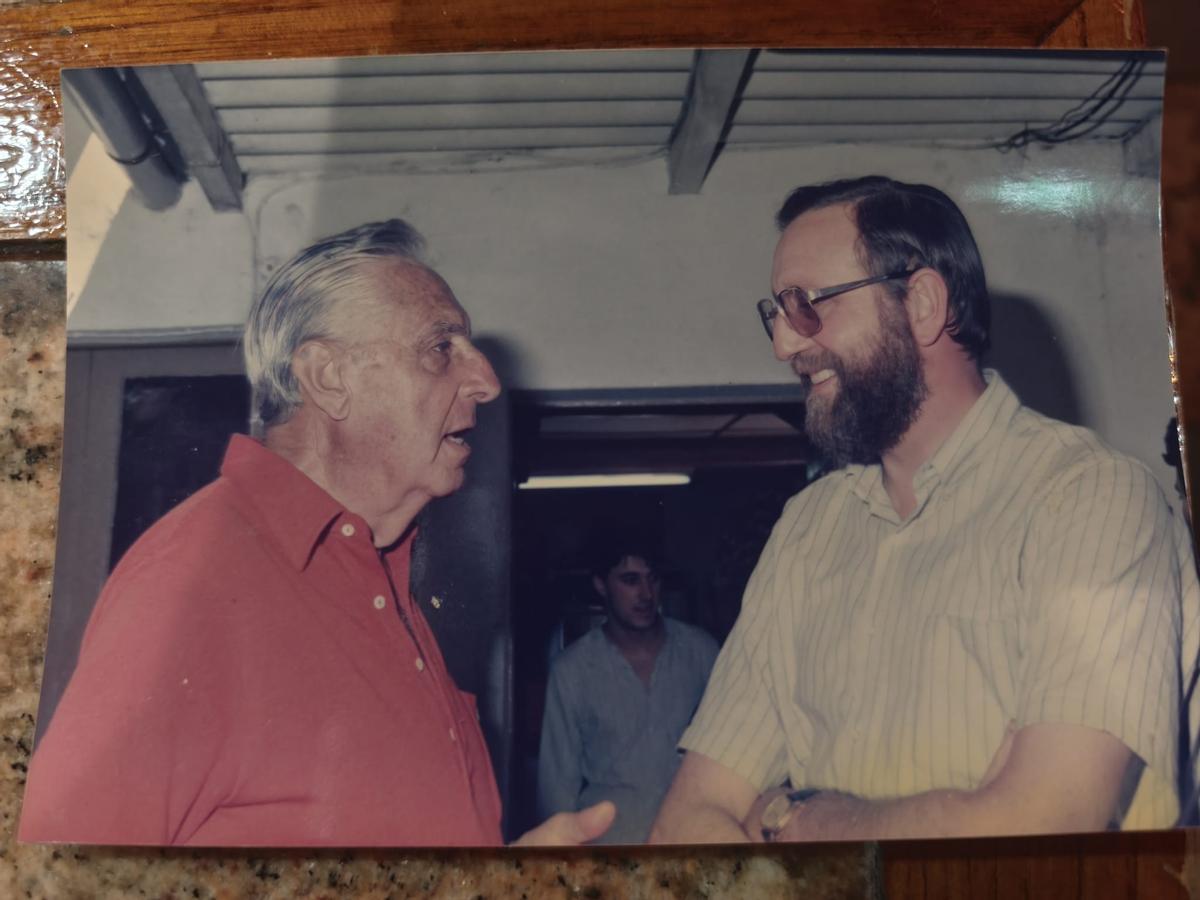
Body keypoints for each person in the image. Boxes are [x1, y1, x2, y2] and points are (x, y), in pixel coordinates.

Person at [20, 220, 613, 847]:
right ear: (329, 378)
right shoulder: (194, 576)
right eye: (441, 347)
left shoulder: (376, 571)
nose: (486, 381)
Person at [649, 176, 1200, 843]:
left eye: (807, 306)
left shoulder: (1090, 499)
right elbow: (686, 823)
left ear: (922, 303)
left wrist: (803, 819)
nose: (783, 346)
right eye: (778, 313)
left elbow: (1045, 825)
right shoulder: (808, 530)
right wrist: (967, 811)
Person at [537, 538, 718, 843]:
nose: (646, 594)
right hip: (611, 848)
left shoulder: (701, 652)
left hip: (690, 841)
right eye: (630, 580)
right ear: (601, 585)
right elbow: (557, 788)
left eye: (653, 579)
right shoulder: (573, 670)